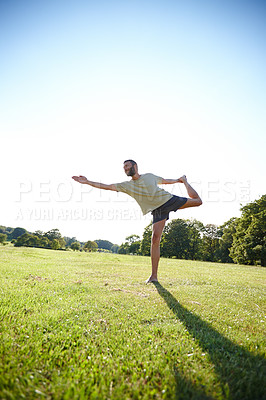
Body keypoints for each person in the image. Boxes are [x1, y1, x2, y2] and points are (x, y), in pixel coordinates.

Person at [72, 160, 202, 283]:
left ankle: (186, 182)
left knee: (198, 202)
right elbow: (108, 186)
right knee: (155, 239)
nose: (126, 169)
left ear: (135, 166)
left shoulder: (149, 176)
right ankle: (153, 276)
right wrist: (87, 182)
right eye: (124, 168)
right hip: (157, 210)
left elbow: (165, 181)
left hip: (168, 200)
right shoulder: (127, 185)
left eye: (127, 166)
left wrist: (179, 180)